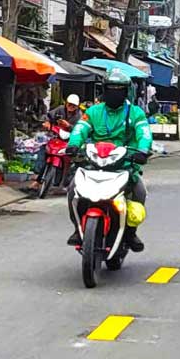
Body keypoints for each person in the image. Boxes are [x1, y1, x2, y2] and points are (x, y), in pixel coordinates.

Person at [66, 69, 153, 252]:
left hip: (125, 164)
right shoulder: (93, 111)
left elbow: (144, 133)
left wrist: (143, 150)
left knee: (140, 192)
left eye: (119, 89)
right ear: (104, 90)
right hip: (94, 163)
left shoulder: (135, 113)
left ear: (127, 91)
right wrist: (73, 145)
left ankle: (131, 233)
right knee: (73, 189)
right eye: (111, 89)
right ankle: (77, 229)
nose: (115, 93)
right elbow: (80, 129)